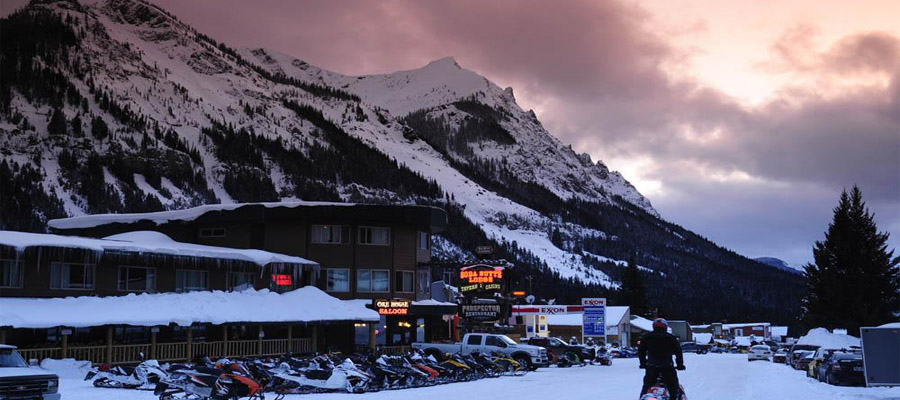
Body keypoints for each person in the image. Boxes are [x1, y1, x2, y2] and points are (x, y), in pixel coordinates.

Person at [638, 318, 685, 400]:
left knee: (646, 387)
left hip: (651, 367)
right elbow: (678, 352)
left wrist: (643, 363)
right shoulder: (671, 338)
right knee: (673, 388)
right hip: (667, 367)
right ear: (665, 327)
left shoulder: (647, 337)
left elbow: (641, 351)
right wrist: (680, 365)